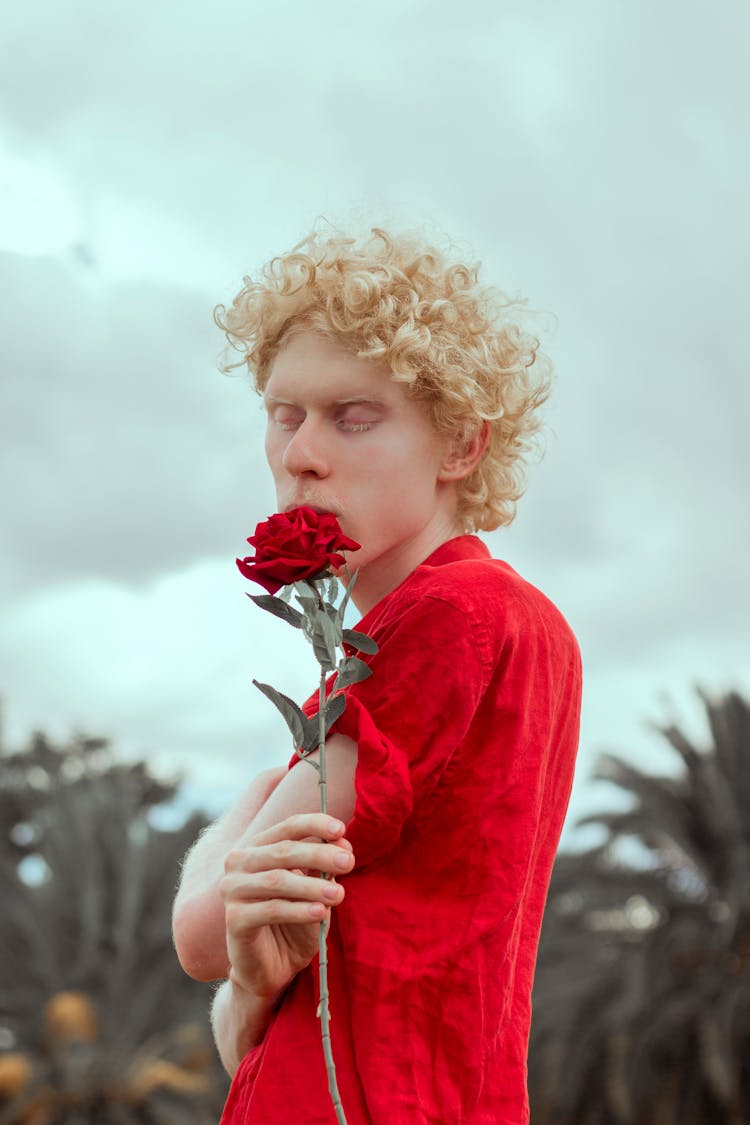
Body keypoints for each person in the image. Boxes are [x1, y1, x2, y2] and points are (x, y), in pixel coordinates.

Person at [172, 226, 582, 1124]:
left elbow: (201, 933)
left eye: (354, 417)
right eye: (285, 414)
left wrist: (252, 796)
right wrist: (246, 988)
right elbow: (257, 1001)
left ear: (463, 445)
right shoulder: (518, 620)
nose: (300, 454)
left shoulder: (451, 614)